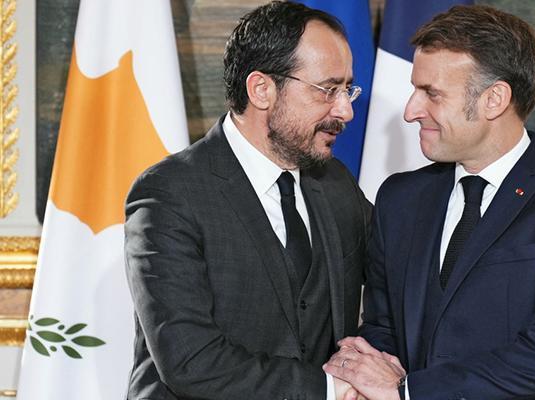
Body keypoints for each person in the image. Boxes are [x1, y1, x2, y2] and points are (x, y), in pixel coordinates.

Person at [324, 4, 535, 400]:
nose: (411, 111)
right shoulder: (400, 198)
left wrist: (410, 391)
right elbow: (384, 328)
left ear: (494, 99)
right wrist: (360, 366)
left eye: (431, 93)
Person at [124, 2, 370, 398]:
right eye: (328, 90)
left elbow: (399, 278)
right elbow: (192, 362)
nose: (346, 111)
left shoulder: (336, 183)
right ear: (261, 90)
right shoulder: (168, 194)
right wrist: (330, 389)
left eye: (347, 90)